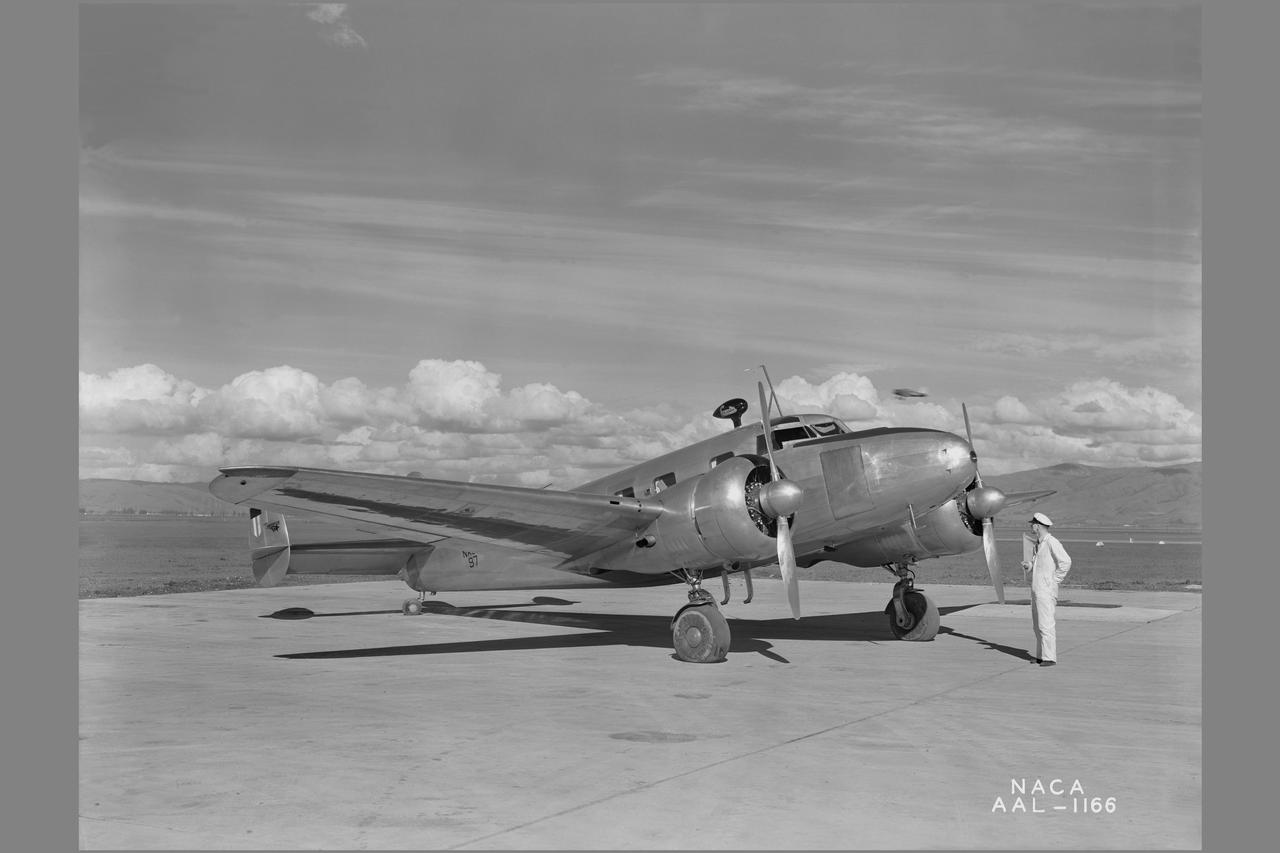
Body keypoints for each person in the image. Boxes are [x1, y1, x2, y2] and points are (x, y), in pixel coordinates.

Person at [1021, 512, 1072, 667]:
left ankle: (1049, 657)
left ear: (1038, 525)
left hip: (1046, 590)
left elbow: (1066, 562)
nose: (1031, 526)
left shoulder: (1051, 542)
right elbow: (1037, 563)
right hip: (1036, 589)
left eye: (1033, 524)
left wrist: (1054, 581)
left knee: (1046, 624)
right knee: (1037, 625)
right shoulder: (1039, 543)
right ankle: (1040, 656)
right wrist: (1028, 566)